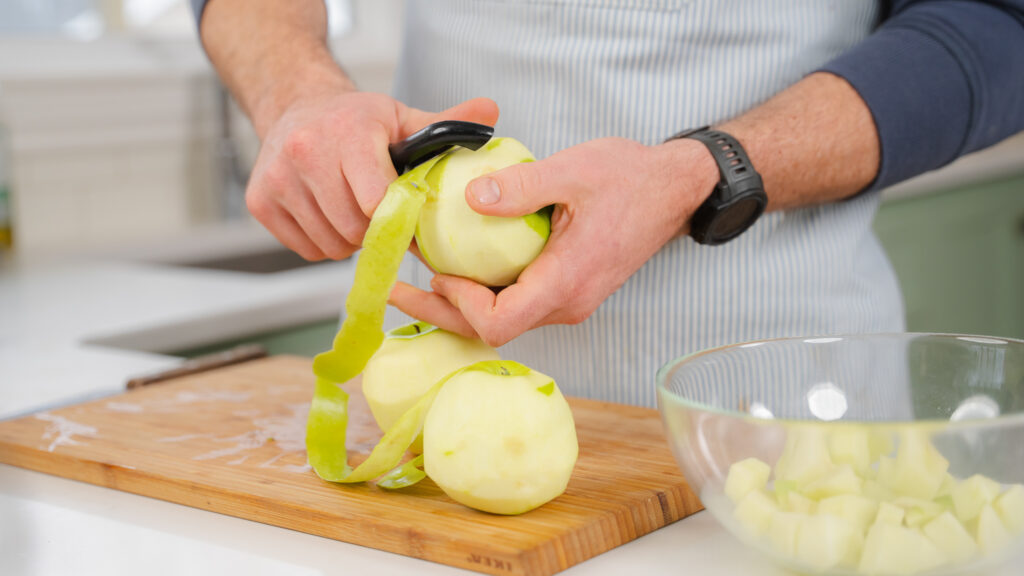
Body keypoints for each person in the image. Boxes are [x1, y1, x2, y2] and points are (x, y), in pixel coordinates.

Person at [191, 0, 1024, 407]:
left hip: (779, 382)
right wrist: (296, 89)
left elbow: (994, 22)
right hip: (432, 384)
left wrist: (707, 169)